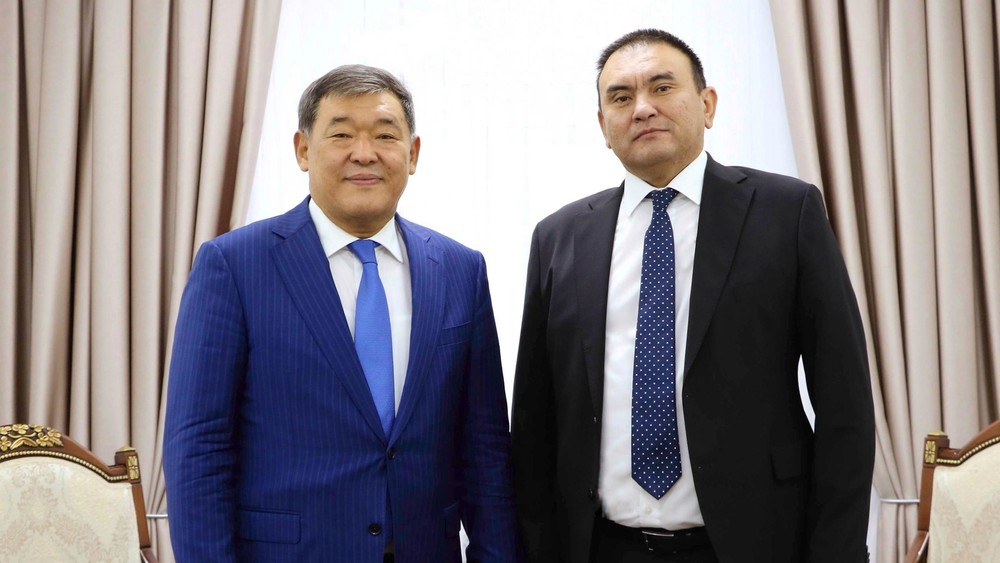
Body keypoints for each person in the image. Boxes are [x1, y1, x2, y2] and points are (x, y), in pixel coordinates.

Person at [511, 29, 875, 563]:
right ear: (603, 127)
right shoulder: (559, 237)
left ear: (707, 105)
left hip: (755, 544)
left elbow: (845, 405)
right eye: (620, 97)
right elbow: (534, 422)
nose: (642, 108)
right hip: (602, 547)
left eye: (662, 87)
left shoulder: (785, 212)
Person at [163, 64, 519, 562]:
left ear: (413, 153)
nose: (364, 153)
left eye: (385, 135)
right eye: (342, 134)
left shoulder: (460, 270)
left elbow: (485, 448)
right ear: (303, 150)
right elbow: (198, 448)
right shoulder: (234, 265)